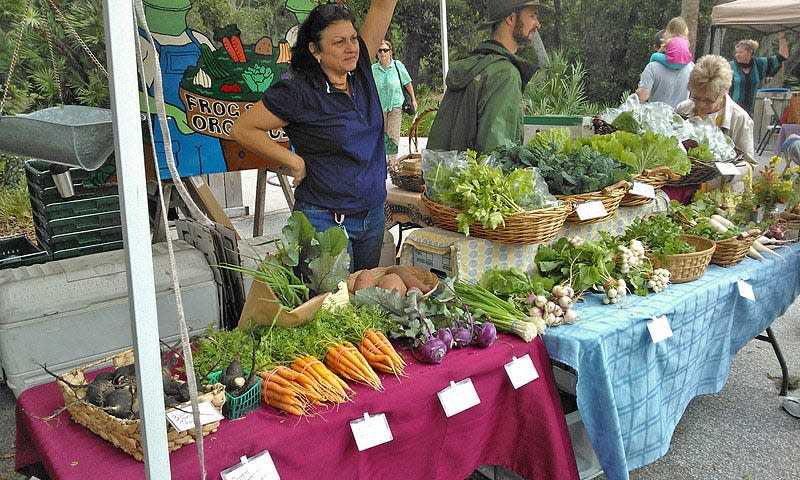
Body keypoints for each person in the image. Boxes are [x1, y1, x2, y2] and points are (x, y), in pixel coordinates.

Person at [231, 0, 397, 272]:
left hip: (372, 215)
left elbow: (382, 7)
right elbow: (242, 128)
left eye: (354, 38)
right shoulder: (298, 92)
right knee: (330, 308)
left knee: (362, 302)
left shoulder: (360, 72)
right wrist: (294, 161)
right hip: (325, 220)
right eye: (339, 42)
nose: (351, 47)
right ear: (315, 50)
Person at [426, 0, 551, 154]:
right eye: (532, 16)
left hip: (451, 175)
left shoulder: (474, 64)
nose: (537, 24)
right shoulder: (505, 73)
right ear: (511, 18)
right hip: (479, 176)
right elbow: (497, 151)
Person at [665, 54, 755, 203]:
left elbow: (748, 165)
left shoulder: (740, 119)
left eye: (708, 101)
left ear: (723, 92)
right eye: (696, 97)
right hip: (682, 191)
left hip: (718, 198)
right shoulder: (684, 108)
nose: (700, 105)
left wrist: (725, 168)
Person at [371, 39, 417, 167]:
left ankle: (392, 163)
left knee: (393, 134)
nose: (383, 53)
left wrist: (413, 99)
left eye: (385, 50)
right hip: (380, 107)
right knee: (382, 134)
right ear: (377, 54)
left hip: (395, 105)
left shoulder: (397, 66)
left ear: (390, 52)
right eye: (380, 50)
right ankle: (381, 160)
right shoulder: (373, 69)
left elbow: (407, 83)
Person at [636, 20, 694, 107]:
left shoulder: (652, 67)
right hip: (680, 118)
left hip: (657, 118)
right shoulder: (692, 68)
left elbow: (642, 96)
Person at [729, 31, 789, 116]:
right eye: (736, 52)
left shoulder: (759, 64)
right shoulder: (730, 66)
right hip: (730, 111)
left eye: (740, 52)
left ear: (750, 53)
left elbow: (783, 56)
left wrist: (781, 37)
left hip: (749, 113)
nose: (737, 55)